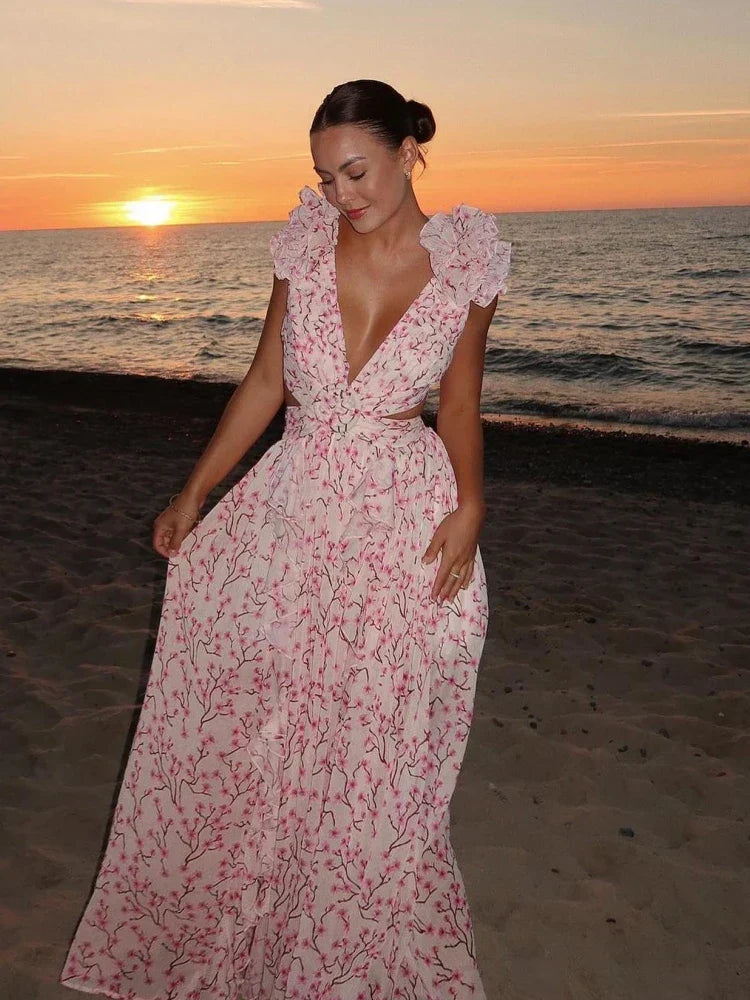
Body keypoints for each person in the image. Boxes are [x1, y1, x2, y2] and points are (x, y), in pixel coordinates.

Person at [60, 78, 512, 1000]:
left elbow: (461, 402)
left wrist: (471, 506)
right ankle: (257, 914)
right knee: (275, 714)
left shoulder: (467, 263)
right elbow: (266, 381)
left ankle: (348, 926)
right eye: (325, 177)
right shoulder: (305, 247)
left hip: (399, 511)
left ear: (407, 153)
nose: (341, 195)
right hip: (295, 508)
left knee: (376, 727)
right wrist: (194, 494)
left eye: (356, 172)